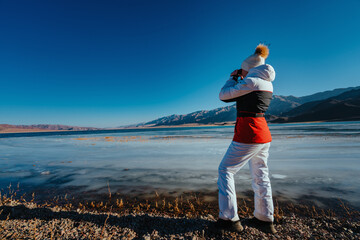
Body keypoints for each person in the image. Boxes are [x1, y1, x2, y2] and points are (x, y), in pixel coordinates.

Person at [216, 44, 277, 234]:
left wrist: (233, 78)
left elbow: (224, 95)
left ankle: (229, 218)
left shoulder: (251, 82)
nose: (242, 72)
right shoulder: (266, 83)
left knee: (225, 170)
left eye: (243, 69)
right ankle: (265, 218)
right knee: (261, 175)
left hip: (248, 133)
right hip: (263, 134)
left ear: (250, 68)